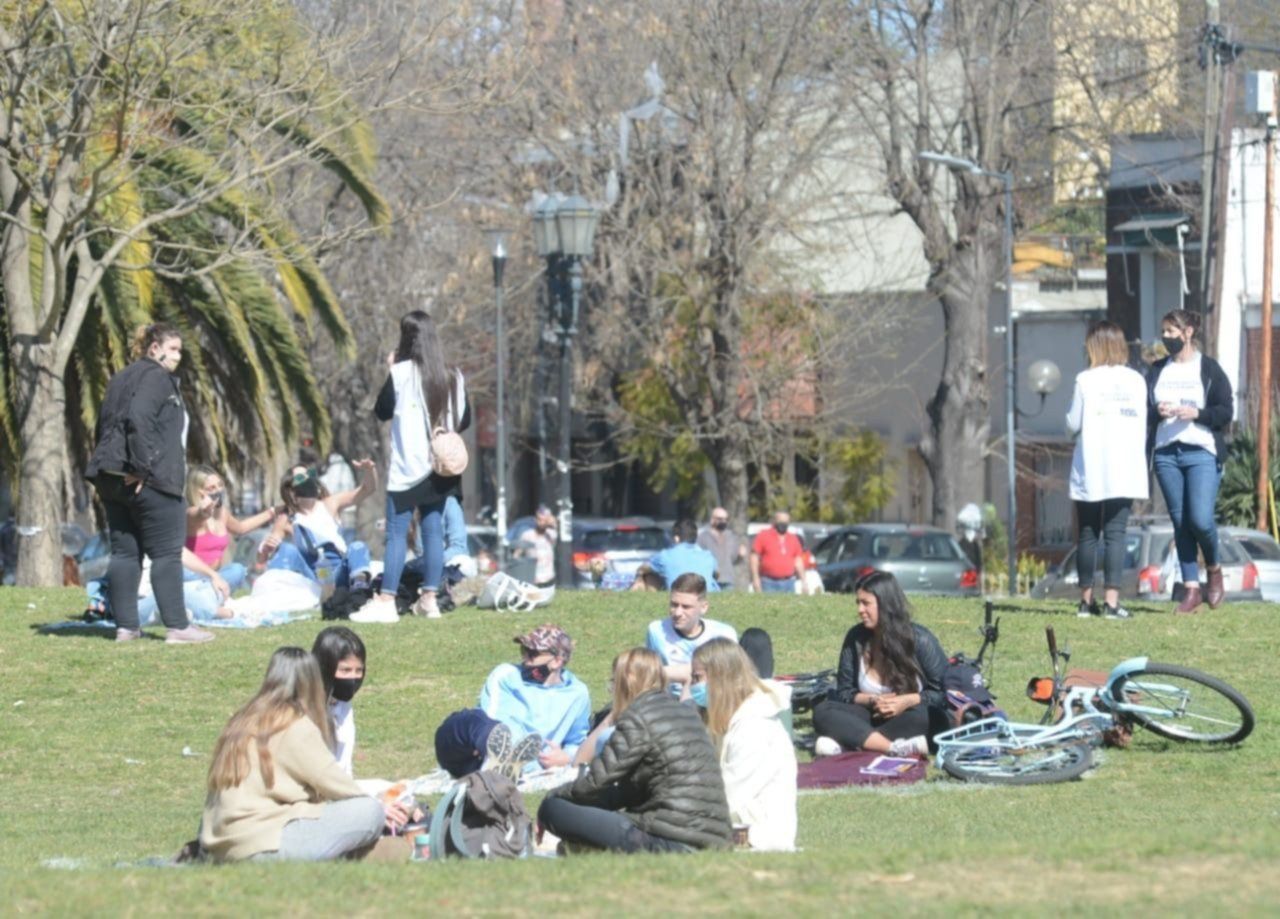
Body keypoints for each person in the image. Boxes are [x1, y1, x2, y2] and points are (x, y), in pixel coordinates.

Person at [85, 323, 212, 644]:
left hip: (110, 478)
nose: (178, 356)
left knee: (125, 554)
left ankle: (126, 628)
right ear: (154, 349)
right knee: (167, 553)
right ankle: (178, 627)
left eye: (180, 350)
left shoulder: (120, 378)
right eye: (173, 349)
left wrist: (114, 467)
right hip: (149, 480)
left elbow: (103, 425)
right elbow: (139, 419)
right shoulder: (157, 377)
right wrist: (142, 468)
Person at [537, 647, 732, 855]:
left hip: (672, 839)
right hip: (715, 838)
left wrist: (553, 797)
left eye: (614, 682)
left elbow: (596, 781)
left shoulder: (639, 716)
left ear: (628, 681)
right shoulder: (685, 713)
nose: (612, 690)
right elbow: (625, 793)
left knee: (554, 809)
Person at [199, 647, 385, 862]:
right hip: (261, 841)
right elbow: (339, 786)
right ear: (313, 683)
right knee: (369, 810)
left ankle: (346, 856)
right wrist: (385, 806)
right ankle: (353, 855)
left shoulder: (242, 719)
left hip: (219, 844)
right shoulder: (295, 725)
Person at [1147, 309, 1234, 613]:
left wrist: (1198, 413)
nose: (1166, 337)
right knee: (1181, 522)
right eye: (1164, 332)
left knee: (1200, 519)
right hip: (1166, 453)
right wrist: (1157, 411)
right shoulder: (1157, 370)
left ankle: (1214, 568)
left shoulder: (1208, 368)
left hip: (1201, 451)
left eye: (1171, 332)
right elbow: (1145, 411)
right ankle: (1192, 589)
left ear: (1188, 333)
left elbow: (1226, 411)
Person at [811, 571, 948, 757]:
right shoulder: (855, 638)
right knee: (823, 711)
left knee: (930, 717)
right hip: (869, 715)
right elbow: (844, 693)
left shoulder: (920, 639)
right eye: (858, 603)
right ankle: (893, 748)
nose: (860, 610)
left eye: (866, 603)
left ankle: (850, 742)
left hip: (908, 715)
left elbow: (944, 694)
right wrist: (873, 700)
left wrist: (906, 701)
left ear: (885, 604)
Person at [1066, 320, 1149, 620]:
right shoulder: (1136, 380)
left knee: (1087, 534)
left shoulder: (1085, 380)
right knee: (1116, 534)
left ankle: (1085, 602)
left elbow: (1073, 423)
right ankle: (1112, 603)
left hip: (1092, 466)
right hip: (1125, 467)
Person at [434, 625, 591, 778]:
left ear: (556, 661)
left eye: (532, 654)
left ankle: (508, 767)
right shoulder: (506, 675)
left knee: (502, 738)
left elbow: (577, 742)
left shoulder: (577, 694)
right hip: (475, 750)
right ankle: (502, 761)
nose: (525, 660)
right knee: (471, 720)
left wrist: (567, 757)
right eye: (523, 651)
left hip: (522, 761)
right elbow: (489, 719)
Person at [691, 638, 797, 852]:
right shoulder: (725, 719)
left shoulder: (755, 726)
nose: (693, 686)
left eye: (698, 678)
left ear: (721, 678)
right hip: (729, 825)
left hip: (758, 837)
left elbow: (729, 795)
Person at [265, 462, 377, 593]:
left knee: (358, 546)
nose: (307, 480)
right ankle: (274, 592)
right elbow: (271, 550)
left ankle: (359, 588)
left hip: (339, 570)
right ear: (291, 490)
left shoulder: (330, 504)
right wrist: (268, 548)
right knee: (286, 549)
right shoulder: (287, 519)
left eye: (310, 475)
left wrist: (369, 470)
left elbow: (367, 489)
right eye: (301, 478)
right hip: (312, 575)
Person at [185, 465, 278, 597]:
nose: (218, 490)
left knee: (237, 570)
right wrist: (203, 510)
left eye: (220, 485)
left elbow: (241, 528)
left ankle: (212, 596)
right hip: (193, 577)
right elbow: (198, 515)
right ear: (199, 492)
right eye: (211, 488)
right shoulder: (190, 513)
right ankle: (208, 597)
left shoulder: (222, 513)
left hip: (215, 577)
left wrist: (272, 512)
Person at [645, 572, 738, 697]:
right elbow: (650, 673)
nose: (677, 613)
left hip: (712, 699)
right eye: (674, 605)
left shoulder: (723, 634)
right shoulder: (656, 631)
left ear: (703, 607)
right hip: (670, 701)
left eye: (686, 607)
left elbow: (730, 678)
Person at [631, 519, 720, 591]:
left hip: (680, 594)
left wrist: (639, 576)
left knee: (647, 576)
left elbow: (643, 568)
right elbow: (717, 574)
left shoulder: (665, 556)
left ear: (676, 538)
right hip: (708, 595)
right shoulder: (708, 556)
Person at [750, 511, 805, 593]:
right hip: (768, 582)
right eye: (781, 521)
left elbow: (798, 561)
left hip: (789, 582)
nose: (783, 524)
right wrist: (755, 578)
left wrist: (804, 581)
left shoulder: (793, 538)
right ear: (774, 521)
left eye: (786, 522)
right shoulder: (764, 535)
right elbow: (754, 557)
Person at [697, 507, 747, 590]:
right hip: (710, 579)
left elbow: (734, 561)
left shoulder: (731, 537)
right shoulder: (703, 537)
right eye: (720, 519)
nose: (723, 521)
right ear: (712, 519)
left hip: (728, 580)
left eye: (726, 519)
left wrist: (740, 556)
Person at [518, 505, 558, 589]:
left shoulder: (551, 535)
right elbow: (517, 554)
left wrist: (551, 521)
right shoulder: (527, 535)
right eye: (540, 519)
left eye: (545, 520)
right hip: (532, 579)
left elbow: (555, 525)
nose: (542, 523)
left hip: (548, 579)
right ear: (535, 520)